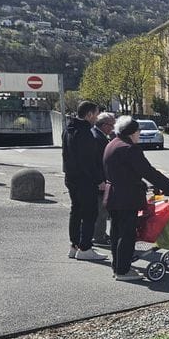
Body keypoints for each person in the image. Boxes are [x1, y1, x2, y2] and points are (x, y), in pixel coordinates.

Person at [104, 116, 169, 281]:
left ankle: (118, 267)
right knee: (127, 234)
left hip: (113, 195)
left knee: (116, 232)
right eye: (138, 131)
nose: (139, 134)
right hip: (126, 197)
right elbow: (149, 172)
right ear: (132, 132)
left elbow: (126, 172)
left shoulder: (112, 144)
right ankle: (123, 271)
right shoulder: (130, 149)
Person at [61, 101, 106, 261]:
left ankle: (74, 245)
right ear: (89, 115)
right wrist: (99, 180)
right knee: (89, 213)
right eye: (96, 114)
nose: (97, 117)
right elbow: (89, 161)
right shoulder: (86, 132)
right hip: (85, 180)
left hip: (71, 177)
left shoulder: (69, 129)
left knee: (76, 211)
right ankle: (85, 247)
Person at [91, 112, 116, 246]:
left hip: (101, 179)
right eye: (112, 125)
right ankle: (98, 237)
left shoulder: (99, 135)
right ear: (105, 125)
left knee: (101, 209)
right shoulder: (97, 137)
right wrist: (100, 180)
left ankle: (99, 234)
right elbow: (94, 162)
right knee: (100, 210)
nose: (113, 128)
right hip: (99, 181)